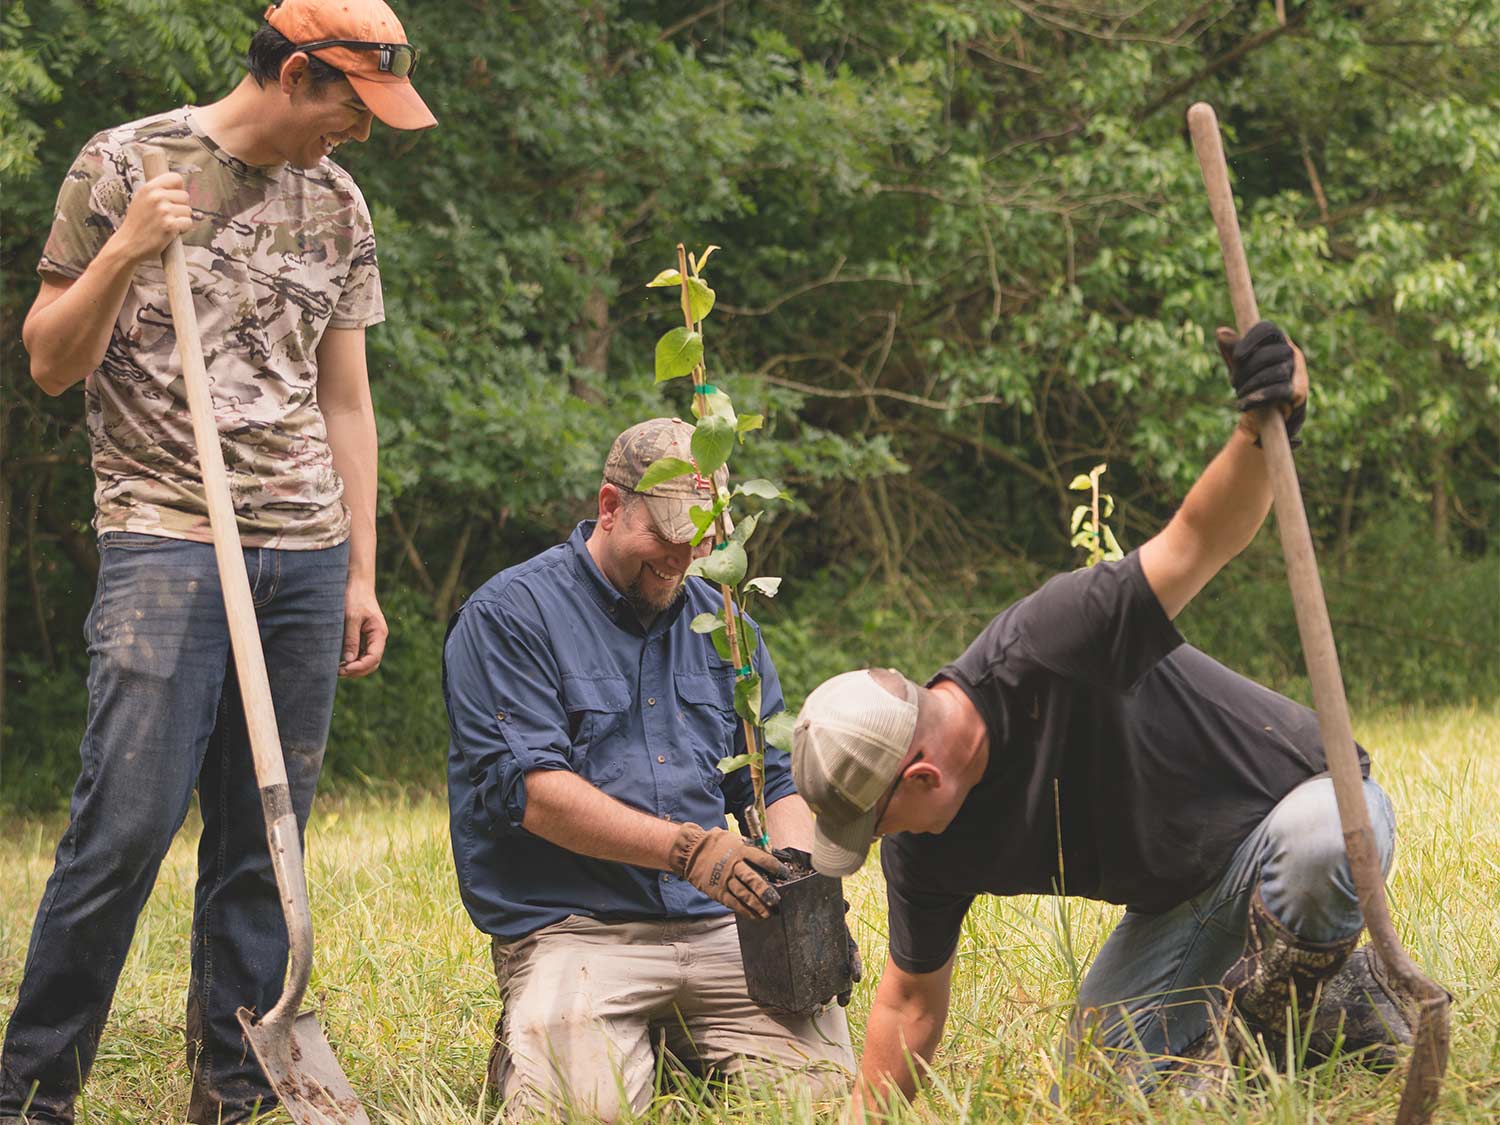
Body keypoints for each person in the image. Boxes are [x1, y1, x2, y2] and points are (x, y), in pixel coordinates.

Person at [791, 323, 1414, 1114]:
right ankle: (1310, 1006)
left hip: (1304, 811)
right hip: (1185, 902)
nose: (884, 845)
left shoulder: (1050, 643)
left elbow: (1196, 541)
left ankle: (1302, 1003)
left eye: (878, 824)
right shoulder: (925, 848)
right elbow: (908, 1005)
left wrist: (1265, 424)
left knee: (1319, 846)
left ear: (920, 774)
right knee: (1087, 1091)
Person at [0, 2, 435, 1121]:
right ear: (296, 73)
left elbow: (347, 400)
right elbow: (49, 362)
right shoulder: (124, 165)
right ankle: (33, 1092)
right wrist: (130, 250)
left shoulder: (338, 202)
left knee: (263, 839)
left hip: (302, 549)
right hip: (167, 540)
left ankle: (234, 1091)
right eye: (353, 104)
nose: (365, 131)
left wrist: (359, 569)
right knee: (126, 824)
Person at [444, 418, 855, 1121]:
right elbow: (535, 794)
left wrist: (794, 878)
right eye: (666, 536)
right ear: (610, 506)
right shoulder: (510, 617)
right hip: (575, 930)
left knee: (822, 1101)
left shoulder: (728, 628)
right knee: (583, 1111)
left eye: (701, 539)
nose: (683, 556)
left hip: (719, 927)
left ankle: (665, 1045)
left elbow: (771, 777)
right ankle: (548, 1043)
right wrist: (689, 850)